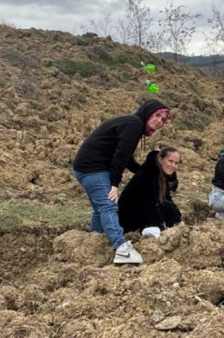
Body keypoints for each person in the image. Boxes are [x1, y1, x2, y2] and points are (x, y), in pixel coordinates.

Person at [72, 99, 170, 264]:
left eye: (163, 119)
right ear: (148, 113)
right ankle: (121, 249)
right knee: (109, 204)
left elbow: (125, 155)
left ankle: (95, 242)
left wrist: (139, 170)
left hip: (85, 167)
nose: (159, 121)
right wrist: (114, 183)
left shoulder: (133, 124)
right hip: (93, 167)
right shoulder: (134, 125)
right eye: (157, 116)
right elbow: (121, 155)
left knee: (100, 208)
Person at [118, 147, 183, 237]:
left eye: (176, 163)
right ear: (160, 159)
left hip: (144, 211)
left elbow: (167, 199)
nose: (173, 165)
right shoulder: (147, 175)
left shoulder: (162, 174)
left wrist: (178, 221)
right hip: (130, 217)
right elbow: (150, 204)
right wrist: (160, 228)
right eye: (170, 161)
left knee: (167, 205)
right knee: (161, 208)